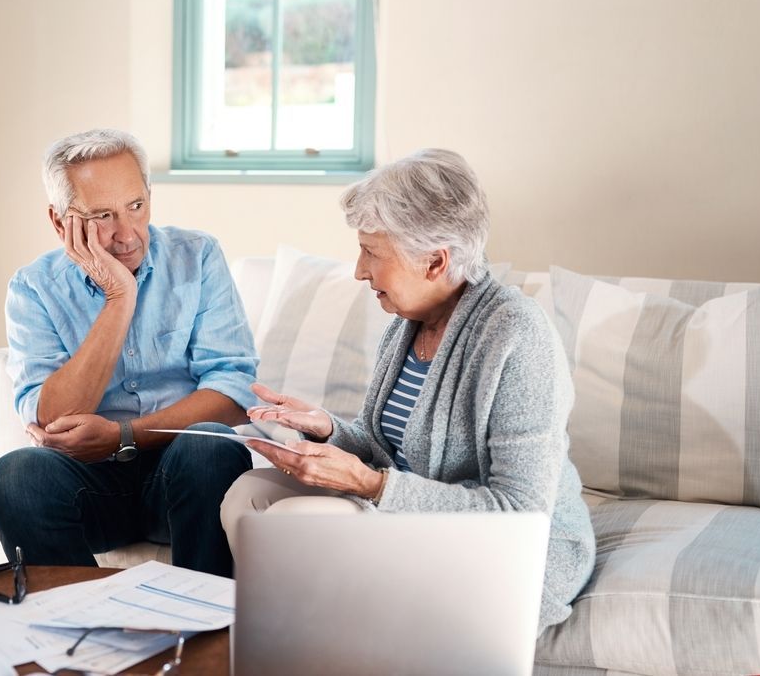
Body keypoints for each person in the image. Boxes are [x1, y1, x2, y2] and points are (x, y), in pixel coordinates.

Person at [220, 149, 596, 632]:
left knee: (299, 518)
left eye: (373, 252)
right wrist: (328, 429)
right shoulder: (408, 324)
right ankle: (286, 641)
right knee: (247, 496)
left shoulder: (517, 337)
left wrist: (371, 486)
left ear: (435, 262)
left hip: (513, 549)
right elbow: (392, 451)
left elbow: (518, 514)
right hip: (411, 518)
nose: (359, 270)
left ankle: (306, 644)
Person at [0, 128, 257, 578]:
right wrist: (119, 298)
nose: (127, 235)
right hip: (92, 485)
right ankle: (85, 623)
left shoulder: (198, 256)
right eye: (102, 216)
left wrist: (125, 434)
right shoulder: (33, 287)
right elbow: (54, 417)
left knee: (211, 447)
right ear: (59, 223)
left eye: (136, 206)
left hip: (184, 471)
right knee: (15, 477)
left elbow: (233, 392)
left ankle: (204, 628)